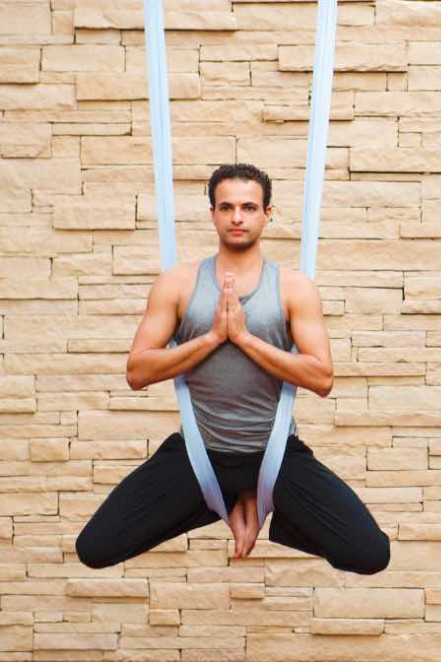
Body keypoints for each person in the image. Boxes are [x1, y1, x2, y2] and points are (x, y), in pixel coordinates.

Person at [76, 163, 390, 574]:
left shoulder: (293, 287)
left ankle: (264, 502)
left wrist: (243, 338)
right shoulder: (178, 283)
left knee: (369, 553)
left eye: (248, 207)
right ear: (212, 214)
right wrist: (211, 338)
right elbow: (138, 371)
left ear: (267, 213)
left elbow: (321, 378)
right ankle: (219, 500)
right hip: (200, 452)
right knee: (95, 547)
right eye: (226, 207)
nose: (237, 217)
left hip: (273, 455)